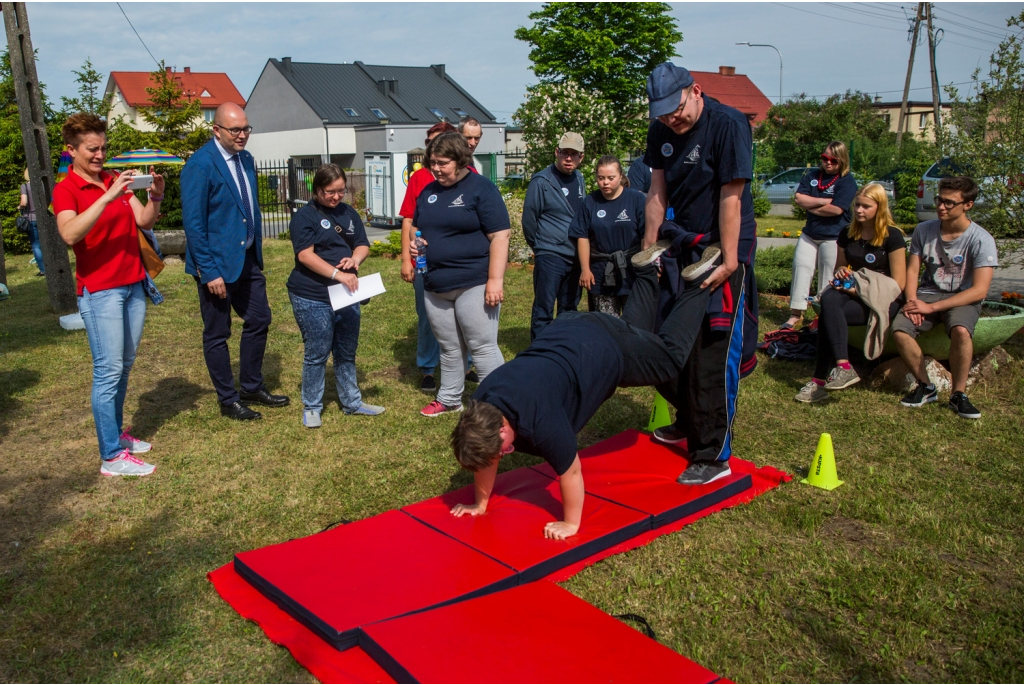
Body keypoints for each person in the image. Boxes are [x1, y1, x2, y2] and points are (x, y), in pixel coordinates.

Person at [449, 260, 712, 539]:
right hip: (569, 328)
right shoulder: (481, 406)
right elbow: (486, 456)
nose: (501, 456)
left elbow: (572, 472)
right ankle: (647, 271)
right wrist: (480, 504)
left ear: (502, 428)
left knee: (669, 361)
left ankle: (698, 284)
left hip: (603, 343)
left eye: (501, 451)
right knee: (636, 333)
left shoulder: (541, 420)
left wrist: (570, 524)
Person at [637, 62, 760, 485]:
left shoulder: (728, 125)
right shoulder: (661, 132)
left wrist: (728, 260)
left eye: (677, 109)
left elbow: (731, 197)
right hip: (681, 245)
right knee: (669, 344)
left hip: (722, 247)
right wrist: (650, 248)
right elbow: (656, 191)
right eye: (664, 113)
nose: (673, 119)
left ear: (696, 90)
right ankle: (689, 421)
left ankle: (712, 454)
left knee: (711, 350)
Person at [52, 112, 164, 477]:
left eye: (103, 147)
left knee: (124, 366)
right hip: (100, 292)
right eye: (91, 149)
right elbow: (70, 234)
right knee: (108, 370)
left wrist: (155, 198)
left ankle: (117, 434)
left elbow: (142, 221)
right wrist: (106, 197)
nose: (100, 155)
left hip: (132, 285)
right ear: (72, 150)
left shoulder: (113, 179)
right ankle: (111, 457)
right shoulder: (66, 189)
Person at [181, 103, 289, 421]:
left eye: (246, 129)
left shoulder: (247, 159)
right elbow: (195, 224)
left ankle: (251, 386)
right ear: (217, 131)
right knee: (218, 332)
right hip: (215, 266)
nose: (243, 135)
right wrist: (208, 270)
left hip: (246, 259)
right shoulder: (200, 165)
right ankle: (228, 400)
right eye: (235, 130)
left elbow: (246, 208)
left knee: (260, 318)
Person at [412, 132, 510, 417]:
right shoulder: (428, 192)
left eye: (442, 163)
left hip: (475, 282)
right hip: (436, 284)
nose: (436, 169)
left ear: (460, 160)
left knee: (481, 347)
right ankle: (450, 398)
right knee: (450, 347)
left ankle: (500, 403)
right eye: (432, 163)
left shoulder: (482, 189)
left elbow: (500, 236)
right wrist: (416, 244)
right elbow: (420, 229)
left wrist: (495, 281)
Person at [891, 176, 996, 419]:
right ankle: (926, 387)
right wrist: (911, 302)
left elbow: (980, 290)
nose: (941, 206)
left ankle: (959, 394)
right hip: (926, 294)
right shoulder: (923, 230)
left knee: (960, 330)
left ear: (967, 205)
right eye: (940, 200)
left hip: (962, 297)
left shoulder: (981, 239)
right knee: (900, 330)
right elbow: (912, 271)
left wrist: (932, 307)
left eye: (949, 203)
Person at [286, 164, 383, 427]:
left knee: (346, 351)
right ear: (317, 189)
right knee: (317, 351)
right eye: (331, 192)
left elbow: (363, 244)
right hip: (312, 294)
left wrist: (354, 259)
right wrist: (337, 275)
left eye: (341, 191)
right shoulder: (305, 217)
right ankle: (312, 407)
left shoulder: (349, 213)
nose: (336, 197)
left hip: (346, 293)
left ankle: (352, 402)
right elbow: (305, 255)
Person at [795, 183, 907, 403]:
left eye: (866, 206)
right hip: (855, 290)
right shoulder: (848, 233)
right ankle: (843, 367)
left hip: (882, 298)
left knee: (828, 313)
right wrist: (841, 274)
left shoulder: (892, 236)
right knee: (828, 297)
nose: (859, 210)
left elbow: (898, 284)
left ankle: (819, 382)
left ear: (880, 208)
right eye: (857, 205)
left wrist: (859, 290)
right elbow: (841, 266)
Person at [399, 121, 476, 393]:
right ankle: (428, 368)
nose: (435, 152)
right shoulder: (421, 178)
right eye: (432, 142)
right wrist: (406, 259)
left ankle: (466, 365)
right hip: (425, 264)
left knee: (465, 317)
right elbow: (409, 220)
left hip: (462, 267)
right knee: (428, 316)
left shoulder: (472, 176)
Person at [783, 142, 859, 329]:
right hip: (810, 233)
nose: (828, 163)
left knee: (828, 276)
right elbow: (799, 198)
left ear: (842, 160)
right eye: (824, 158)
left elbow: (837, 209)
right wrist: (823, 201)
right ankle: (796, 313)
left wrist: (812, 205)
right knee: (801, 267)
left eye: (833, 160)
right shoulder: (813, 175)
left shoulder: (847, 181)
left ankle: (822, 314)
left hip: (834, 236)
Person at [522, 132, 586, 340]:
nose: (569, 158)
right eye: (565, 153)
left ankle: (563, 349)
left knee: (569, 307)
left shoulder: (580, 179)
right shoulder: (541, 181)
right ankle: (540, 352)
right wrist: (542, 246)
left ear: (581, 157)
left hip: (575, 255)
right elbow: (529, 221)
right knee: (544, 308)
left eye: (574, 154)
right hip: (550, 254)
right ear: (556, 153)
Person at [571, 155, 647, 317]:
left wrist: (647, 267)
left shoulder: (637, 199)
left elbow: (645, 236)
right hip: (601, 271)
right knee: (606, 325)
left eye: (611, 178)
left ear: (621, 176)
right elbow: (582, 236)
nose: (605, 182)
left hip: (631, 270)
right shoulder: (590, 202)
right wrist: (585, 269)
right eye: (601, 178)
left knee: (634, 323)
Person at [19, 169, 44, 276]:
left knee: (36, 245)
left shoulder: (25, 186)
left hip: (31, 218)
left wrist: (19, 207)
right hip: (44, 217)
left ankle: (43, 270)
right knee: (46, 243)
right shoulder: (43, 185)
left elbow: (24, 202)